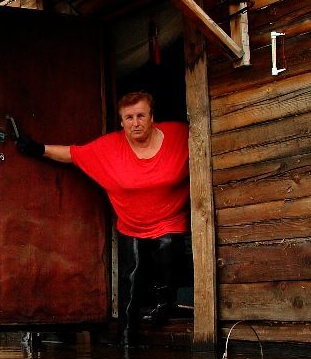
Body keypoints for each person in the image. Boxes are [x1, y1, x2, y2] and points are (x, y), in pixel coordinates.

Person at [15, 91, 188, 344]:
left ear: (152, 117)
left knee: (168, 256)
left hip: (170, 220)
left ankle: (165, 306)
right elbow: (73, 154)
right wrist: (38, 149)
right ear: (121, 121)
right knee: (132, 279)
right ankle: (127, 339)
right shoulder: (109, 148)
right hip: (132, 226)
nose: (135, 123)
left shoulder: (179, 135)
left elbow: (210, 136)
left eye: (141, 116)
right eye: (129, 117)